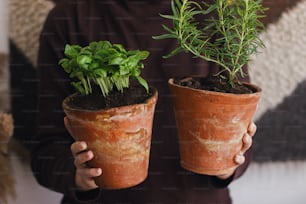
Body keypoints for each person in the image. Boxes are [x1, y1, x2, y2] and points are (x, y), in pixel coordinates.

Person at [31, 0, 257, 203]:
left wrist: (229, 161)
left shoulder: (217, 18)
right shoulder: (70, 17)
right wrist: (77, 176)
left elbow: (243, 139)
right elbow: (45, 152)